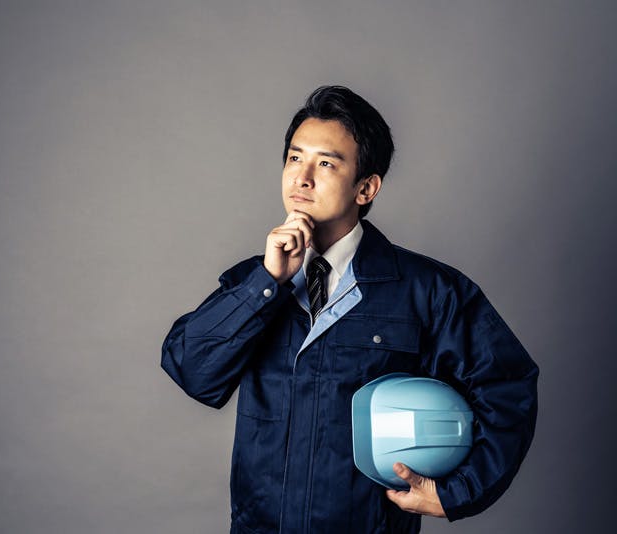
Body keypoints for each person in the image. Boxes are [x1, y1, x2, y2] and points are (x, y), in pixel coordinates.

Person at [161, 85, 538, 533]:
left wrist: (458, 491)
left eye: (325, 163)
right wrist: (266, 283)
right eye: (294, 158)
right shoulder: (253, 281)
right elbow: (193, 371)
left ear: (366, 187)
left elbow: (506, 385)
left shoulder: (426, 290)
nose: (302, 178)